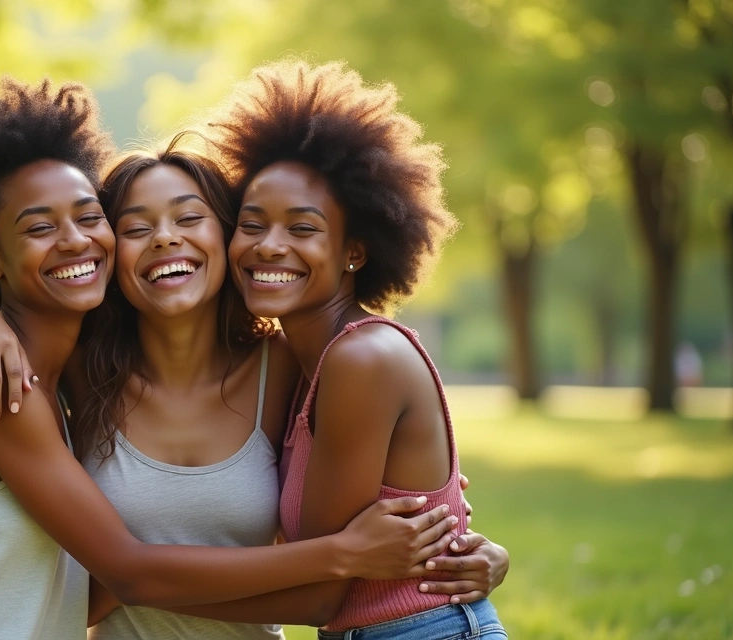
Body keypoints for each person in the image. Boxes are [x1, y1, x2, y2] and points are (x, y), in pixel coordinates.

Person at [0, 76, 463, 640]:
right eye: (135, 226)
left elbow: (387, 474)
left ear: (226, 238)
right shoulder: (80, 370)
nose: (165, 238)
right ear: (115, 254)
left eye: (188, 217)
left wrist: (472, 548)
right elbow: (12, 503)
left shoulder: (286, 367)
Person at [203, 58, 509, 639]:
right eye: (252, 223)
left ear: (354, 252)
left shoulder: (362, 360)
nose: (270, 246)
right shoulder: (298, 360)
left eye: (302, 228)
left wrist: (136, 593)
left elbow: (318, 593)